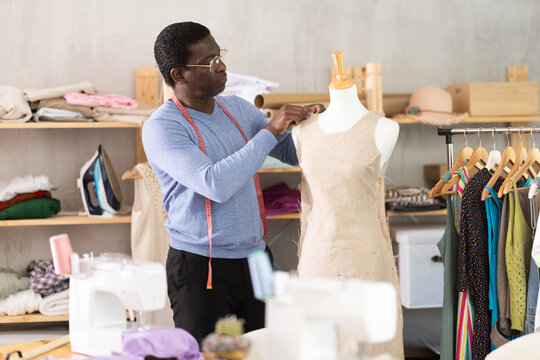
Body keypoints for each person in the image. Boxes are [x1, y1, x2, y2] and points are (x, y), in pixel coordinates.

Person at [142, 21, 324, 343]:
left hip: (256, 259)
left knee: (267, 349)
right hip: (202, 268)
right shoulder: (162, 127)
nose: (222, 66)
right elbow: (216, 184)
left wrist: (314, 125)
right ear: (178, 75)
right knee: (207, 353)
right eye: (210, 61)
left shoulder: (237, 108)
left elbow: (289, 152)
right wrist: (271, 130)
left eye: (220, 54)